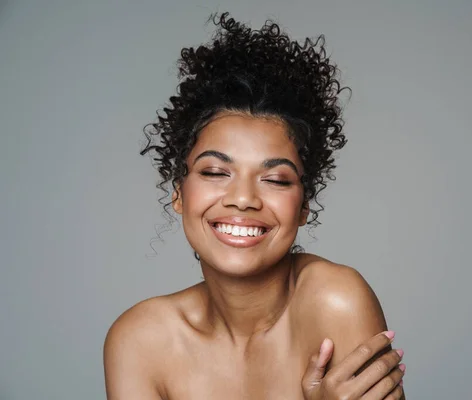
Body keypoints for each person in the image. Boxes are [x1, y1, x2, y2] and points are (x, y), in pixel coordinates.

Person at [103, 13, 406, 399]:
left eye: (276, 179)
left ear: (303, 205)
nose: (243, 199)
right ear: (178, 193)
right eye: (215, 172)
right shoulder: (140, 341)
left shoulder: (336, 301)